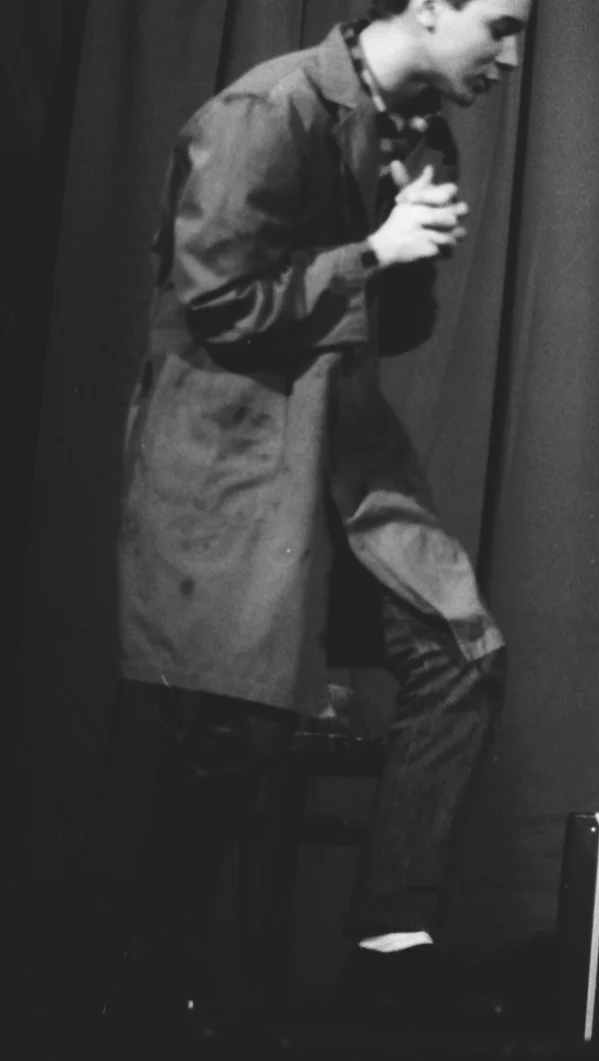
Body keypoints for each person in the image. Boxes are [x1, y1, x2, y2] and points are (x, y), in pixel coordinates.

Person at [106, 0, 530, 1030]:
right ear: (427, 8)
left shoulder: (418, 136)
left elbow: (396, 327)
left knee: (458, 655)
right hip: (236, 457)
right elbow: (220, 308)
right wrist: (374, 250)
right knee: (234, 726)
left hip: (342, 462)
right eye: (499, 26)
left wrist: (410, 250)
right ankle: (154, 974)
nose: (512, 56)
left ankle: (389, 949)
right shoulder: (270, 110)